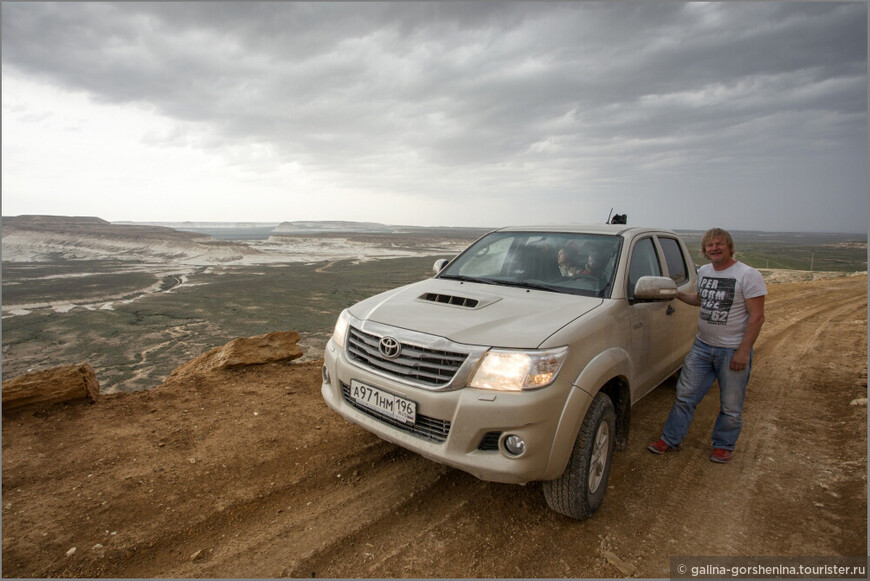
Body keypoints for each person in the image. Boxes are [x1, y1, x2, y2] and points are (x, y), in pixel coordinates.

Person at [648, 228, 766, 463]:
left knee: (731, 405)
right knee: (685, 395)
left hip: (732, 349)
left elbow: (757, 317)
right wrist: (677, 293)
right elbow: (700, 300)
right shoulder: (704, 272)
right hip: (702, 346)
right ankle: (671, 439)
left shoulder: (748, 275)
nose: (714, 248)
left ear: (729, 246)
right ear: (704, 250)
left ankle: (723, 445)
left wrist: (743, 351)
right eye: (710, 245)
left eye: (719, 244)